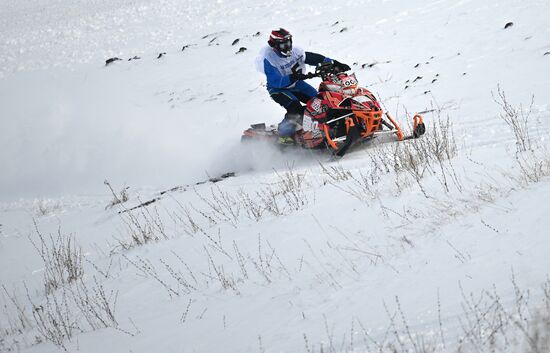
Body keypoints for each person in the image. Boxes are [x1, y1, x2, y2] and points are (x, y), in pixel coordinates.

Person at [256, 28, 351, 144]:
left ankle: (330, 128)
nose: (287, 46)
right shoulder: (269, 59)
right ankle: (283, 136)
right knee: (295, 109)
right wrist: (292, 77)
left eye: (288, 42)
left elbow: (312, 58)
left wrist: (334, 63)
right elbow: (275, 81)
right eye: (283, 45)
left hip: (297, 83)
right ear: (274, 45)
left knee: (321, 101)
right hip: (278, 89)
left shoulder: (296, 51)